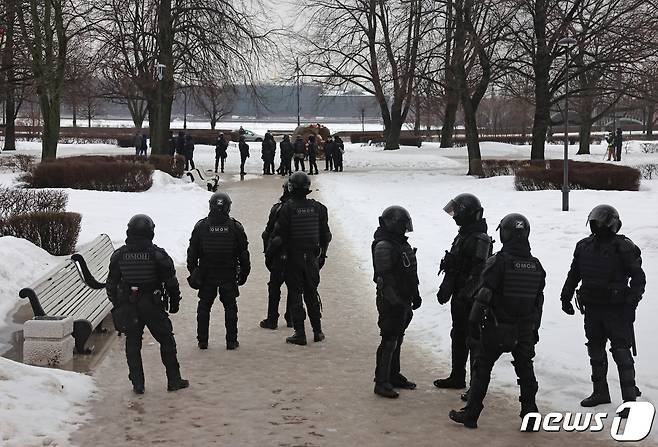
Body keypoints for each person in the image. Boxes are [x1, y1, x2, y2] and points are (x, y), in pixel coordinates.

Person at [449, 213, 545, 429]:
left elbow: (484, 295)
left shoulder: (499, 262)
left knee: (482, 368)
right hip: (524, 329)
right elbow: (538, 302)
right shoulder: (536, 266)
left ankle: (471, 414)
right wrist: (534, 329)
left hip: (497, 326)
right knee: (526, 371)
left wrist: (473, 324)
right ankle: (530, 414)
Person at [560, 205, 645, 416]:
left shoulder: (623, 247)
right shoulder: (584, 246)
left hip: (616, 310)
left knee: (621, 353)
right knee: (595, 351)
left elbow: (638, 278)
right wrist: (565, 296)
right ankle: (600, 392)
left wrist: (630, 303)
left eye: (599, 221)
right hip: (593, 308)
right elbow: (574, 273)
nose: (596, 225)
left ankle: (629, 400)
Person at [106, 214, 189, 394]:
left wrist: (117, 303)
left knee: (133, 343)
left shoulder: (119, 255)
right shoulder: (157, 255)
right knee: (166, 340)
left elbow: (111, 283)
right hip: (152, 304)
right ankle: (174, 380)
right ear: (151, 232)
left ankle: (138, 383)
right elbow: (171, 282)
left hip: (129, 304)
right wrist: (174, 302)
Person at [434, 193, 492, 399]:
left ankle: (475, 387)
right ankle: (457, 376)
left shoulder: (480, 238)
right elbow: (455, 266)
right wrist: (447, 288)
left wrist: (466, 295)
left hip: (472, 299)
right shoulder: (464, 234)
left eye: (458, 212)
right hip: (460, 294)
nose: (455, 216)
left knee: (473, 339)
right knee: (458, 335)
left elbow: (479, 273)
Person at [269, 172, 331, 345]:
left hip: (293, 258)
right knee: (312, 292)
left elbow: (278, 237)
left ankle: (300, 332)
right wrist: (322, 255)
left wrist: (271, 255)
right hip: (312, 257)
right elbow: (326, 235)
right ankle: (317, 331)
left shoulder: (288, 208)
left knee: (296, 294)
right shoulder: (318, 208)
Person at [186, 192, 251, 350]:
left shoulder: (201, 226)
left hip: (207, 273)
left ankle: (202, 341)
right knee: (230, 307)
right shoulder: (235, 227)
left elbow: (192, 253)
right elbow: (244, 254)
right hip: (227, 273)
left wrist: (194, 271)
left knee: (204, 307)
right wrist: (244, 273)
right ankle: (231, 341)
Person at [372, 206, 422, 399]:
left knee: (397, 337)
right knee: (389, 338)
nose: (404, 229)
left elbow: (410, 274)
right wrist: (395, 302)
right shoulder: (384, 245)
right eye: (402, 225)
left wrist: (414, 295)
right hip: (391, 300)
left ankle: (393, 374)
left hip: (404, 297)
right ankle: (381, 381)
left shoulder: (399, 243)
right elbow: (384, 279)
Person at [260, 183, 292, 329]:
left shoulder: (277, 208)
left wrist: (268, 252)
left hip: (279, 253)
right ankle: (291, 317)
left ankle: (272, 319)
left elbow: (267, 233)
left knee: (274, 286)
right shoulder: (305, 209)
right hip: (296, 254)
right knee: (294, 286)